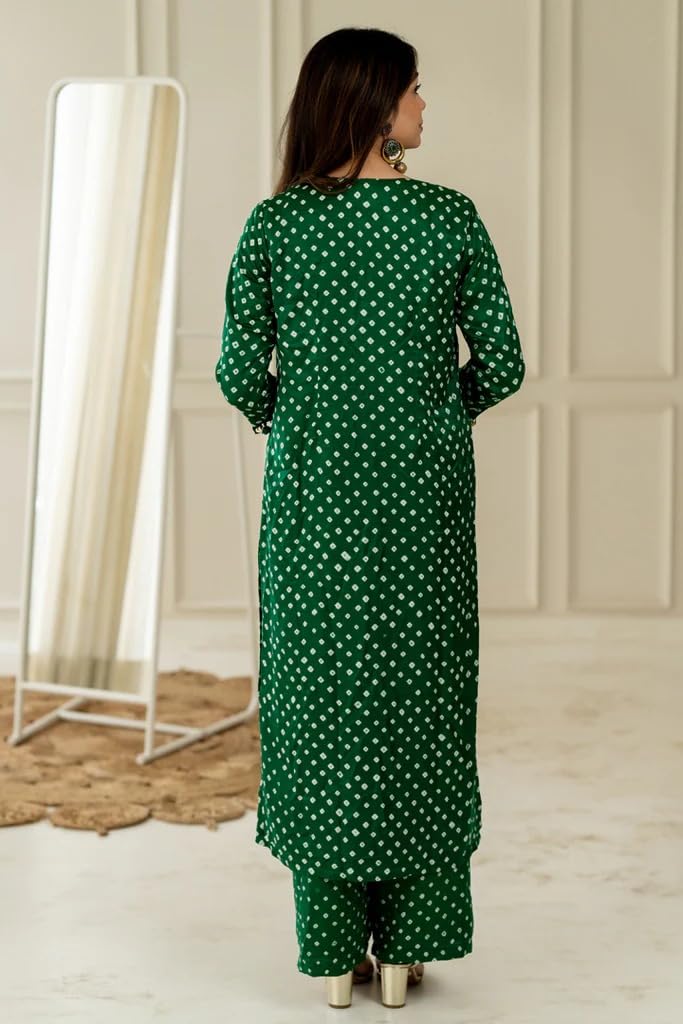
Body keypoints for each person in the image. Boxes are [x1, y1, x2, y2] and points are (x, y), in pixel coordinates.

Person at [215, 26, 526, 1010]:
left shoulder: (276, 227)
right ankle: (404, 954)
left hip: (313, 510)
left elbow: (238, 375)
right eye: (414, 91)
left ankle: (331, 957)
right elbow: (504, 364)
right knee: (419, 706)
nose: (424, 107)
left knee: (320, 705)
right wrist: (429, 417)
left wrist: (308, 424)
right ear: (376, 104)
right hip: (422, 510)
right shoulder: (446, 218)